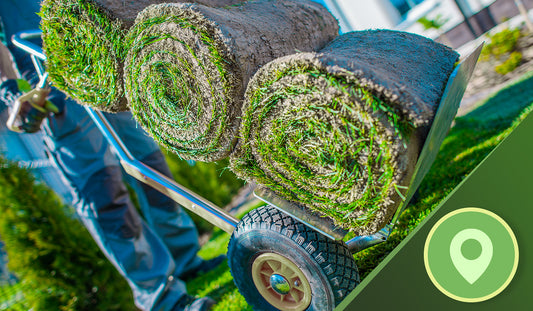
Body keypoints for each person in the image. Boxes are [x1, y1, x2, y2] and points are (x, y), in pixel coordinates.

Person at [0, 1, 224, 310]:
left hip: (101, 64)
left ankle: (187, 259)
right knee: (102, 193)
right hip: (50, 88)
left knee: (150, 165)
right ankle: (161, 296)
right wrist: (11, 92)